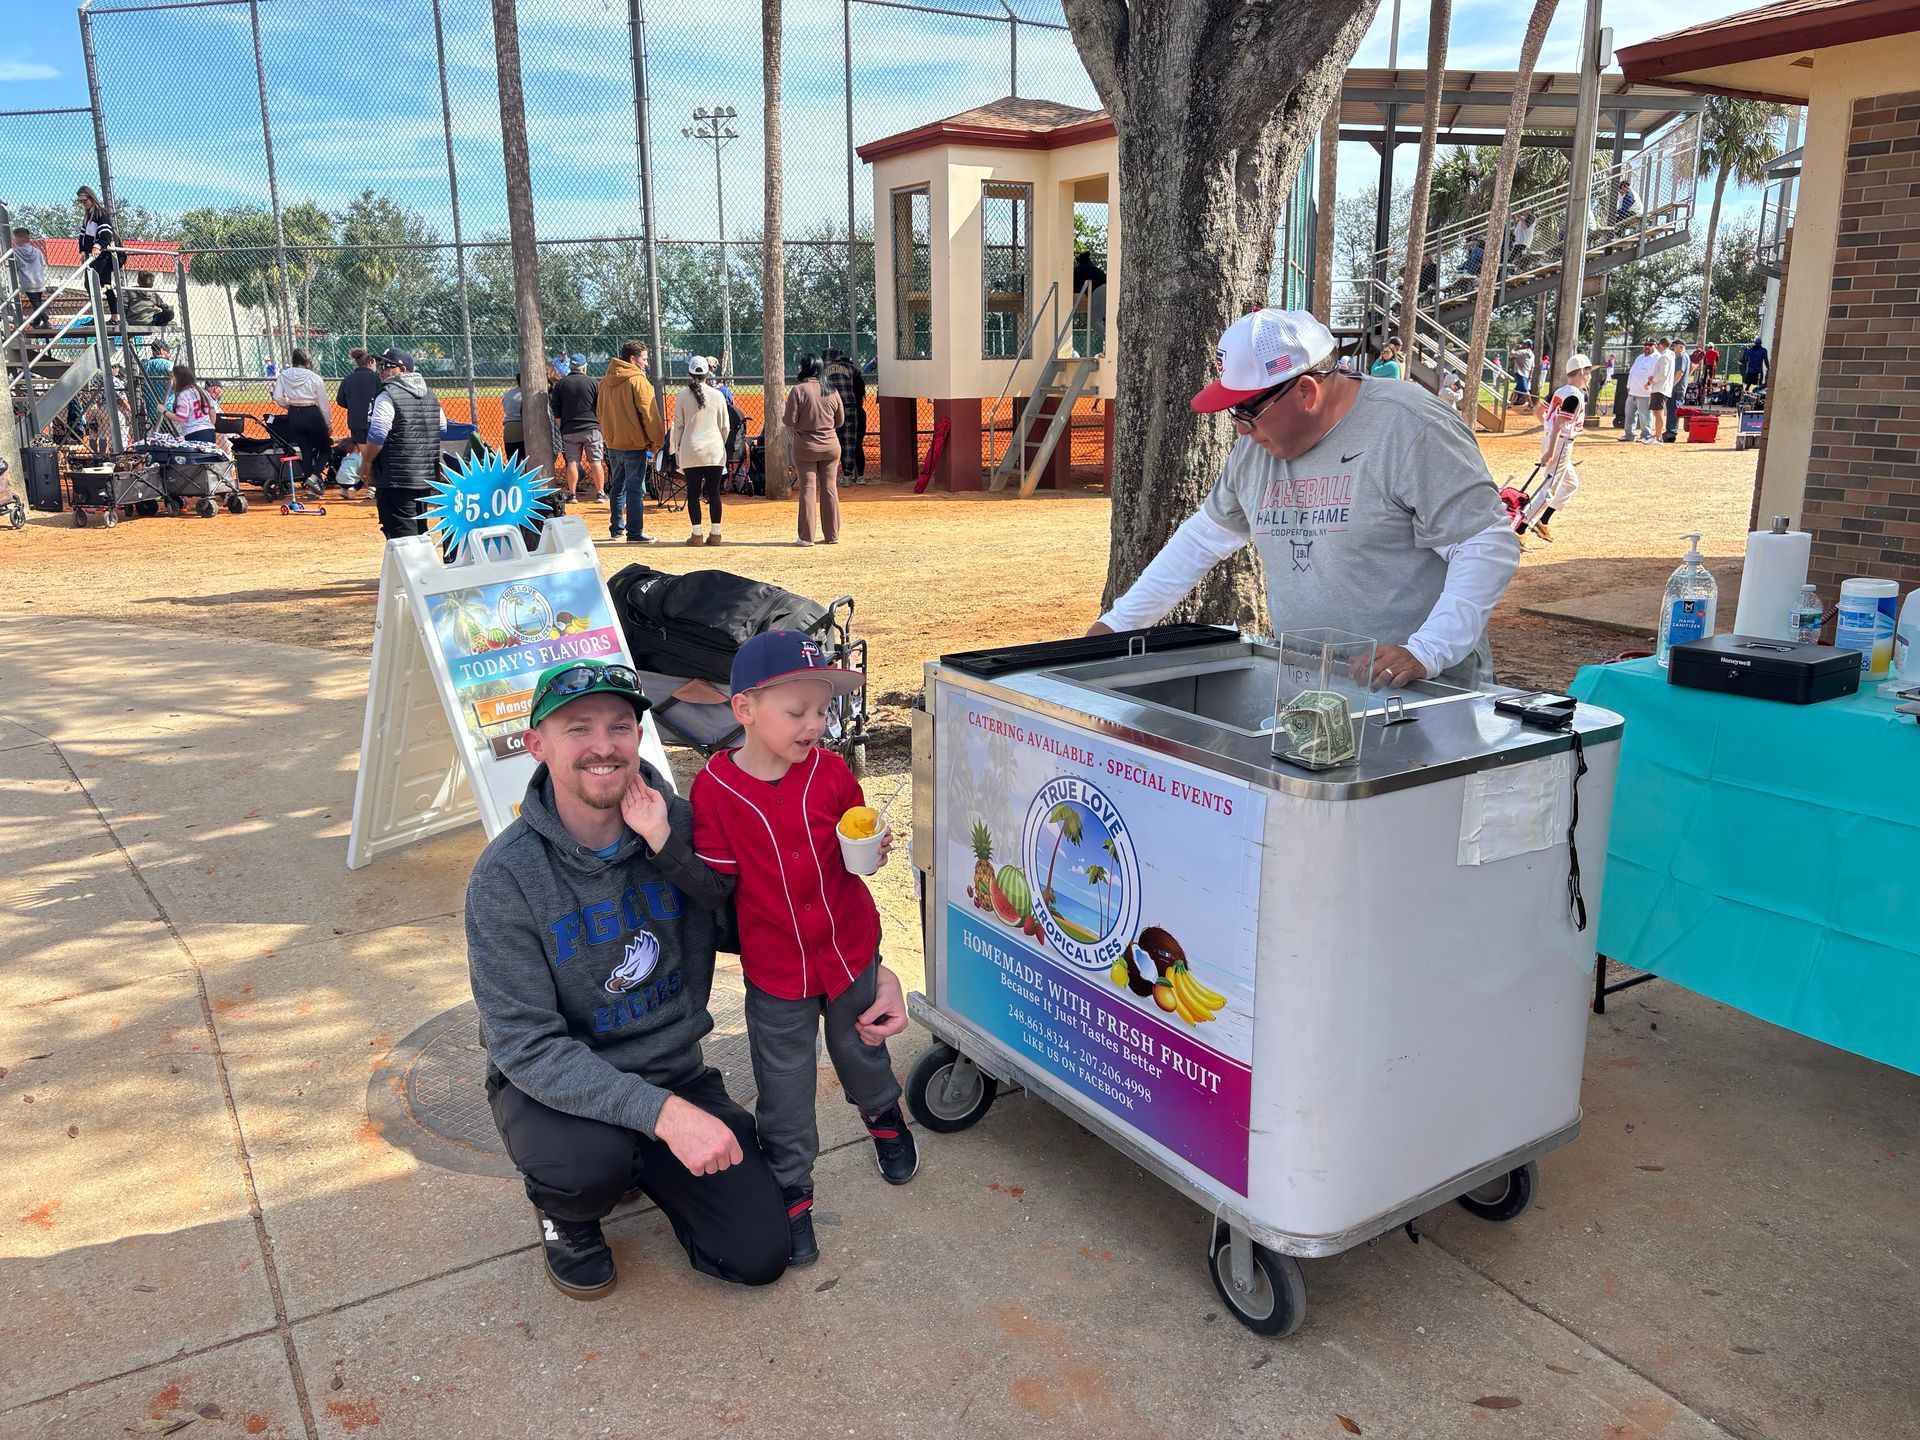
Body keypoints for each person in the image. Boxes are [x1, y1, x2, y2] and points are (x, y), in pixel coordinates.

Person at [467, 658, 796, 1300]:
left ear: (639, 738)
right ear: (537, 745)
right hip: (557, 1089)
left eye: (620, 726)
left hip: (673, 1070)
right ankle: (569, 1213)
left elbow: (760, 924)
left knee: (758, 1254)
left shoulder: (686, 826)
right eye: (578, 728)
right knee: (586, 1165)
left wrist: (866, 974)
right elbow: (524, 1045)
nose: (602, 746)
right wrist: (665, 1117)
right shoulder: (505, 878)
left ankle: (644, 1153)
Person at [1087, 308, 1520, 690]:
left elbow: (1485, 545)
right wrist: (1119, 624)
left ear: (1307, 392)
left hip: (1424, 692)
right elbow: (1204, 538)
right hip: (1312, 683)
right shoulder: (1257, 447)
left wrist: (1428, 651)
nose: (1239, 429)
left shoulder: (1409, 427)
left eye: (1246, 411)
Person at [690, 631, 918, 1268]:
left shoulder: (834, 771)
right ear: (745, 710)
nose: (815, 724)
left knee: (862, 1049)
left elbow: (857, 846)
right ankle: (793, 1189)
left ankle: (885, 1119)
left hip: (848, 950)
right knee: (782, 1090)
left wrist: (874, 846)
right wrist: (662, 842)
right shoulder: (714, 790)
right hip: (775, 971)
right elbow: (715, 882)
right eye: (797, 711)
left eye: (823, 711)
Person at [360, 346, 447, 540]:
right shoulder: (430, 394)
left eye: (386, 366)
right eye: (380, 365)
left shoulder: (388, 394)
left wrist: (366, 463)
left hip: (395, 477)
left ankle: (413, 570)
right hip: (425, 474)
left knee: (401, 534)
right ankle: (424, 569)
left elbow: (378, 433)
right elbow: (442, 427)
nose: (381, 370)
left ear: (403, 370)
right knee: (420, 529)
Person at [598, 341, 664, 545]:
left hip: (613, 442)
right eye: (643, 359)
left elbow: (599, 412)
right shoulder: (638, 381)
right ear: (633, 359)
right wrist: (657, 442)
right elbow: (650, 415)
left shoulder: (605, 381)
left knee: (618, 486)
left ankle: (616, 529)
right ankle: (634, 532)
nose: (646, 363)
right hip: (634, 444)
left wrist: (609, 436)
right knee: (636, 488)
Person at [1520, 354, 1591, 544]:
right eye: (1589, 372)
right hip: (1560, 442)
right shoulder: (1576, 395)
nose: (1590, 376)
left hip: (1554, 439)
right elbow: (1560, 423)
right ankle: (1520, 529)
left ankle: (1543, 521)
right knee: (1548, 489)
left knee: (1571, 483)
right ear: (1582, 371)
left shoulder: (1560, 390)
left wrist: (1548, 430)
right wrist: (1552, 449)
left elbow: (1538, 411)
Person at [784, 353, 847, 547]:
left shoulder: (798, 390)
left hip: (805, 447)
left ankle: (806, 537)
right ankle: (832, 535)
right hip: (830, 446)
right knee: (830, 488)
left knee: (808, 489)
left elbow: (789, 421)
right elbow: (840, 421)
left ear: (804, 368)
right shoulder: (832, 390)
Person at [669, 356, 730, 545]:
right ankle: (716, 533)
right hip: (714, 451)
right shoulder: (718, 395)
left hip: (691, 450)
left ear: (689, 373)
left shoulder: (681, 395)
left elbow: (677, 426)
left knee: (693, 493)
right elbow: (725, 427)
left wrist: (676, 449)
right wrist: (720, 443)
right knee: (714, 492)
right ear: (707, 373)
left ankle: (696, 535)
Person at [272, 347, 332, 487]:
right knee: (326, 448)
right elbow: (323, 404)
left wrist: (289, 406)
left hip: (294, 414)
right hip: (311, 412)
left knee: (305, 450)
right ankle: (314, 476)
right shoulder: (314, 377)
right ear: (307, 361)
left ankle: (311, 484)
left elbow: (277, 396)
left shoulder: (284, 374)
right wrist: (328, 424)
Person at [551, 353, 604, 503]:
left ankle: (572, 494)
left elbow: (556, 408)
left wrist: (562, 425)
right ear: (584, 367)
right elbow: (600, 406)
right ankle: (600, 493)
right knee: (595, 461)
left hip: (569, 429)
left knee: (573, 461)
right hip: (591, 428)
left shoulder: (561, 384)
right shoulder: (593, 383)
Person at [821, 348, 867, 484]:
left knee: (829, 441)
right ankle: (851, 476)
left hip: (829, 408)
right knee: (851, 442)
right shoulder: (851, 368)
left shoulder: (821, 369)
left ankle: (828, 476)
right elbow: (860, 387)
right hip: (851, 407)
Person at [75, 186, 120, 316]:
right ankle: (100, 315)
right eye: (80, 202)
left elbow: (106, 233)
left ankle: (112, 315)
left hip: (102, 255)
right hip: (92, 255)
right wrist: (83, 251)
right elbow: (83, 236)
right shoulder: (88, 216)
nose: (83, 204)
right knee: (97, 284)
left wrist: (98, 246)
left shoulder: (100, 213)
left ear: (91, 197)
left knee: (97, 284)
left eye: (85, 200)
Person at [168, 363, 220, 446]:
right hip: (209, 431)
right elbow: (212, 411)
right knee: (208, 457)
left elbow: (181, 417)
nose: (172, 380)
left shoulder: (184, 394)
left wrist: (164, 411)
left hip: (194, 432)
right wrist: (210, 425)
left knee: (195, 457)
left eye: (173, 377)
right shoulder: (203, 391)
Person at [1621, 338, 1658, 442]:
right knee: (1629, 415)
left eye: (1650, 345)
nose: (1647, 347)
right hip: (1633, 391)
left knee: (1645, 415)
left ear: (1655, 345)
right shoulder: (1640, 357)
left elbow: (1656, 375)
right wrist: (1629, 386)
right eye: (1645, 344)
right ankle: (1629, 435)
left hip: (1646, 392)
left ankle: (1646, 435)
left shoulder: (1657, 358)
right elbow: (1632, 372)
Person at [11, 226, 48, 321]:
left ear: (17, 239)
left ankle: (43, 318)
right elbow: (43, 264)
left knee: (36, 302)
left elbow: (15, 267)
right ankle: (38, 320)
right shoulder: (37, 251)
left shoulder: (15, 253)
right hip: (39, 280)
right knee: (37, 301)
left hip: (27, 282)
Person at [141, 340, 174, 429]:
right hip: (168, 407)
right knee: (174, 436)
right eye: (167, 351)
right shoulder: (168, 364)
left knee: (160, 435)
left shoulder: (145, 366)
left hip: (152, 408)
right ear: (162, 350)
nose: (168, 354)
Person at [1648, 337, 1676, 444]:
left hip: (1660, 388)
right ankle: (1657, 435)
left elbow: (1662, 374)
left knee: (1658, 413)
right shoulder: (1670, 355)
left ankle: (1658, 437)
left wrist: (1651, 381)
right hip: (1663, 388)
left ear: (1661, 345)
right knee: (1658, 412)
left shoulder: (1664, 357)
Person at [1663, 341, 1691, 441]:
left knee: (1673, 410)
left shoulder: (1681, 356)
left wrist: (1671, 385)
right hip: (1678, 388)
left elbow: (1680, 372)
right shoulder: (1684, 356)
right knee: (1671, 410)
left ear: (1681, 347)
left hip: (1677, 389)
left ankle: (1671, 432)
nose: (1673, 348)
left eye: (1674, 346)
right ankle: (1670, 430)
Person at [1508, 340, 1535, 409]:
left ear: (1527, 345)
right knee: (1517, 389)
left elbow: (1511, 354)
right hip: (1526, 374)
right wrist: (1530, 375)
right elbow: (1532, 367)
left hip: (1520, 374)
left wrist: (1515, 347)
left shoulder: (1523, 351)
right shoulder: (1532, 355)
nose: (1522, 344)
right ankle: (1511, 404)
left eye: (1524, 344)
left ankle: (1531, 405)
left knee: (1524, 389)